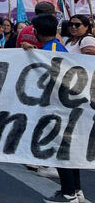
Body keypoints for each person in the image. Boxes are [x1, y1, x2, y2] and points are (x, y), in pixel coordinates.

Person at [25, 14, 84, 203]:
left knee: (60, 150)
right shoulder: (53, 48)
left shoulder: (50, 50)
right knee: (68, 150)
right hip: (67, 107)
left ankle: (67, 193)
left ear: (36, 32)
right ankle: (76, 190)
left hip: (58, 109)